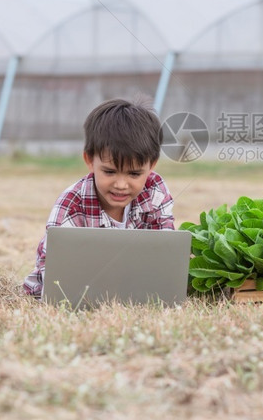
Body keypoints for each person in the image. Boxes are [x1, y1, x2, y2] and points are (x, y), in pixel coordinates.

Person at [23, 97, 175, 298]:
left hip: (130, 289)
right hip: (73, 292)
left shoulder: (154, 190)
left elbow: (164, 250)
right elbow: (54, 272)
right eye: (110, 172)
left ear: (152, 165)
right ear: (89, 160)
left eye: (134, 174)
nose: (121, 185)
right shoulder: (71, 204)